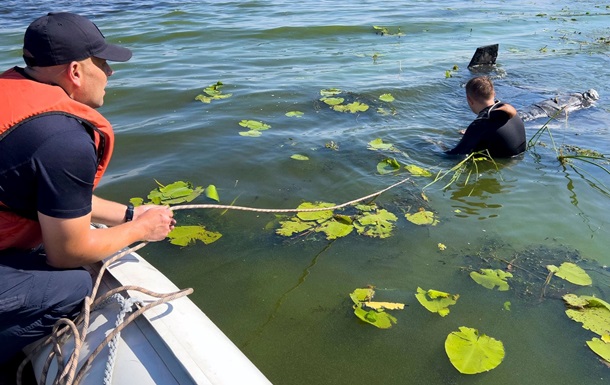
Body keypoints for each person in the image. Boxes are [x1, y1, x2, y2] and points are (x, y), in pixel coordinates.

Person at [0, 12, 176, 366]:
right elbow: (67, 252)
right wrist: (141, 229)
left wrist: (127, 214)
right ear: (76, 71)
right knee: (73, 284)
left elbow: (54, 197)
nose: (110, 73)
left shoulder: (14, 97)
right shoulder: (63, 139)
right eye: (103, 62)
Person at [445, 76, 526, 157]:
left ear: (469, 99)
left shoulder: (480, 124)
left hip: (501, 162)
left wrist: (434, 145)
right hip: (520, 157)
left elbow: (455, 155)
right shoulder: (507, 108)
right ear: (494, 93)